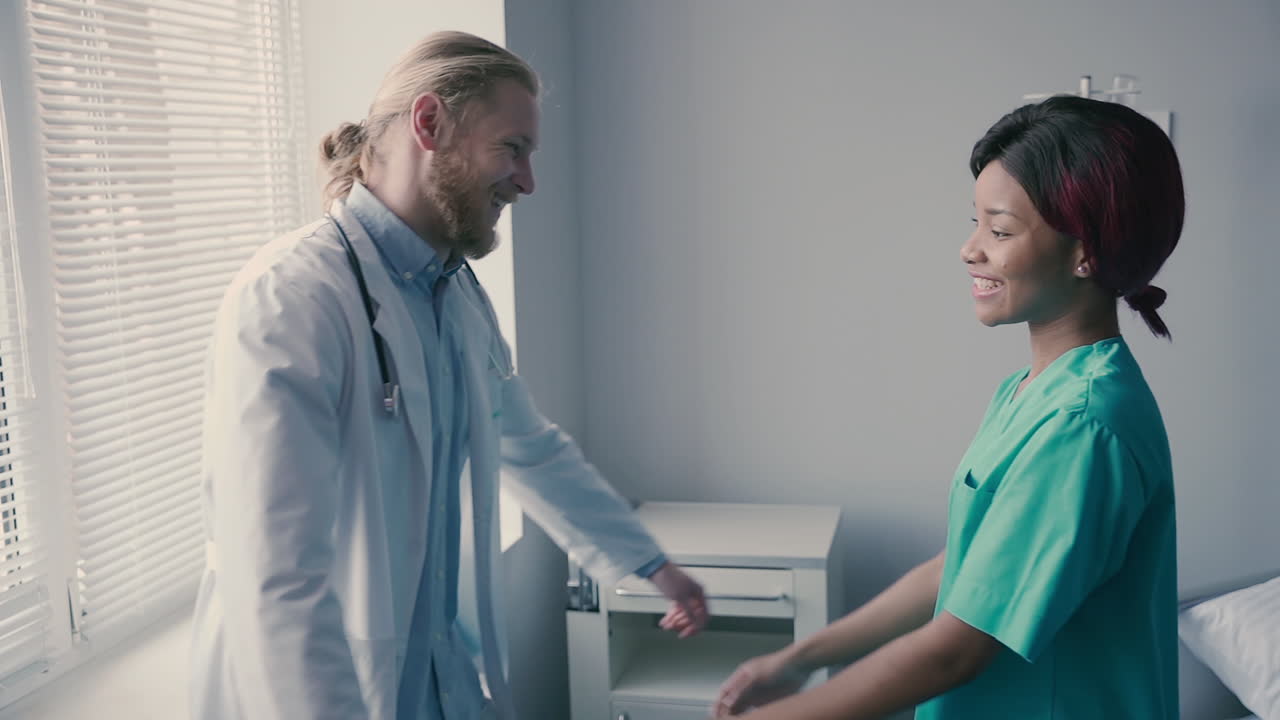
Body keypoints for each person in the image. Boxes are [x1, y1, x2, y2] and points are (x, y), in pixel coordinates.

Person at [189, 31, 708, 720]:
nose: (527, 182)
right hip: (323, 688)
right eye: (513, 149)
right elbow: (276, 580)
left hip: (430, 672)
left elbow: (530, 446)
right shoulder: (294, 298)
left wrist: (649, 565)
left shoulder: (455, 295)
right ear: (430, 123)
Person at [709, 95, 1185, 719]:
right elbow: (962, 570)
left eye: (1000, 230)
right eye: (974, 223)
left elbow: (954, 652)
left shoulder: (1083, 426)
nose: (970, 249)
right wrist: (799, 658)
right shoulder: (1031, 391)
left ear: (1085, 253)